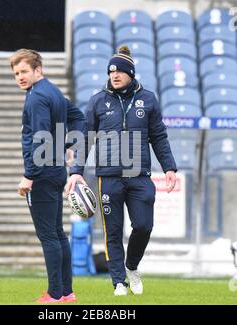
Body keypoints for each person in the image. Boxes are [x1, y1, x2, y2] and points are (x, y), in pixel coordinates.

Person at [66, 45, 177, 296]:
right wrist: (76, 171)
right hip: (109, 176)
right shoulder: (97, 101)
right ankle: (118, 282)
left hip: (139, 176)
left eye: (119, 72)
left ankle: (132, 266)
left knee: (143, 226)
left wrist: (169, 167)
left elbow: (159, 137)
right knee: (112, 231)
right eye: (111, 72)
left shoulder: (147, 99)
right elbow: (84, 138)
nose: (114, 76)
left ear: (131, 73)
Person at [9, 49, 86, 303]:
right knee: (58, 233)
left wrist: (29, 175)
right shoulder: (52, 91)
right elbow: (78, 118)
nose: (19, 77)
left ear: (37, 70)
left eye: (24, 72)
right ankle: (66, 292)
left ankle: (54, 295)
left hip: (41, 175)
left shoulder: (37, 97)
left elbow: (40, 137)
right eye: (16, 73)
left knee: (49, 236)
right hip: (56, 172)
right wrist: (67, 146)